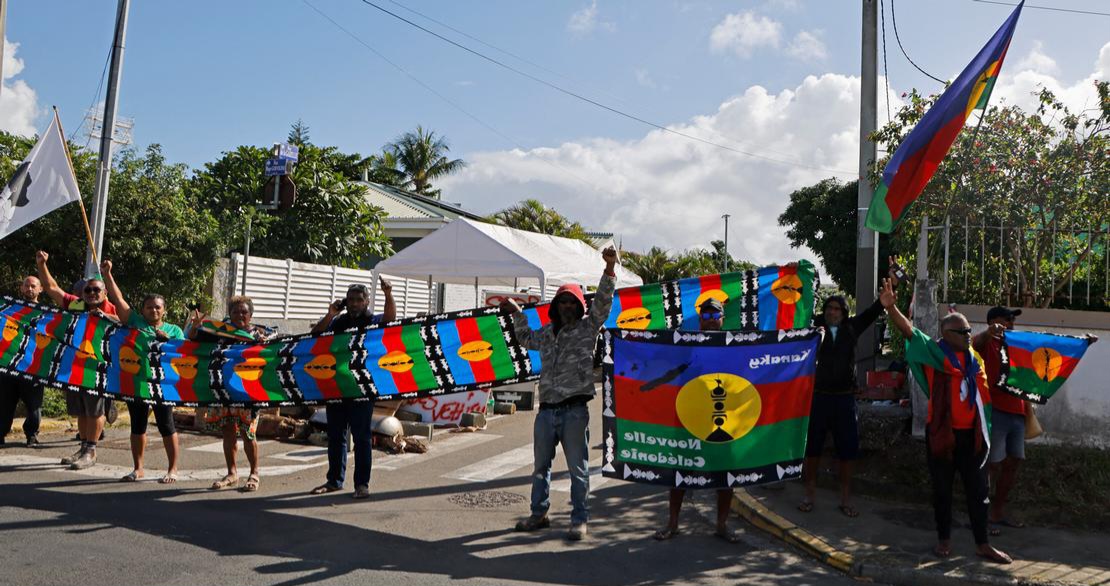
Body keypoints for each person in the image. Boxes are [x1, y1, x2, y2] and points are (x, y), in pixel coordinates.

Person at [883, 278, 1011, 564]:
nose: (967, 335)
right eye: (961, 332)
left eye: (968, 331)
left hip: (973, 436)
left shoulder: (973, 358)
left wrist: (989, 332)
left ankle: (982, 544)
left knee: (979, 492)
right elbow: (910, 331)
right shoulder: (936, 353)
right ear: (946, 334)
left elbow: (977, 341)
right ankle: (944, 539)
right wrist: (891, 309)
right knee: (942, 490)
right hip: (943, 434)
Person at [504, 246, 618, 541]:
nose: (567, 306)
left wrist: (608, 269)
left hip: (574, 411)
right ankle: (538, 514)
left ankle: (579, 520)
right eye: (562, 302)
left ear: (579, 307)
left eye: (572, 302)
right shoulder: (545, 333)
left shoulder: (587, 328)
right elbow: (525, 338)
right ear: (555, 306)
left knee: (578, 470)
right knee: (540, 467)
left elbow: (603, 304)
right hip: (546, 412)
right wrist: (517, 314)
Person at [799, 260, 898, 518]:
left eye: (837, 309)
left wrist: (887, 295)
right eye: (829, 308)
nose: (833, 312)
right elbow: (796, 309)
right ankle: (809, 493)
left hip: (844, 400)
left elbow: (872, 311)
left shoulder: (851, 329)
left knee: (848, 451)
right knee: (812, 450)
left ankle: (845, 498)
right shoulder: (814, 328)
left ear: (844, 313)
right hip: (818, 398)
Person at [652, 297, 741, 543]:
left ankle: (722, 525)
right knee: (680, 472)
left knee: (725, 475)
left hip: (722, 420)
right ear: (700, 320)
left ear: (723, 319)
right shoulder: (685, 344)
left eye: (715, 316)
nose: (711, 320)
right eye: (706, 316)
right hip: (688, 419)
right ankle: (672, 524)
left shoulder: (735, 345)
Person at [309, 278, 396, 499]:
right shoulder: (338, 322)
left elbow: (390, 319)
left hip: (362, 389)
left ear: (367, 301)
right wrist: (331, 313)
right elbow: (316, 334)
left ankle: (361, 485)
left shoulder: (372, 321)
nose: (354, 303)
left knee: (362, 437)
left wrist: (388, 294)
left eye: (359, 299)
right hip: (337, 387)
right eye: (351, 300)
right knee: (336, 436)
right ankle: (334, 481)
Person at [100, 260, 185, 483]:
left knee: (166, 425)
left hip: (163, 386)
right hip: (136, 382)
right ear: (143, 310)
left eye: (157, 307)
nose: (153, 310)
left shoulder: (174, 330)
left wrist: (168, 342)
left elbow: (184, 356)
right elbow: (118, 299)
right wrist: (107, 274)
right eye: (149, 307)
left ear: (164, 310)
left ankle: (173, 469)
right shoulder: (134, 322)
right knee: (138, 426)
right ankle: (138, 469)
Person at [36, 251, 119, 470]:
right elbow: (52, 288)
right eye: (87, 290)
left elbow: (128, 324)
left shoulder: (111, 309)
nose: (92, 293)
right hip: (73, 368)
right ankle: (83, 448)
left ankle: (91, 451)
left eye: (96, 290)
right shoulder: (75, 305)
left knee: (95, 410)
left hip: (99, 369)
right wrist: (42, 265)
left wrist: (105, 317)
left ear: (105, 293)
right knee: (81, 411)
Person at [187, 295, 269, 492]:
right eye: (235, 312)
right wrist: (195, 327)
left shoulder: (260, 335)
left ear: (251, 315)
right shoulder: (219, 331)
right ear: (229, 314)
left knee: (248, 433)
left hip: (248, 392)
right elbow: (193, 339)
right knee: (228, 431)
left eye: (244, 312)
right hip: (222, 390)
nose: (240, 315)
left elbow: (271, 355)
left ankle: (254, 473)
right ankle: (232, 473)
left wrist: (264, 344)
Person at [0, 276, 45, 447]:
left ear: (40, 289)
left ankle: (31, 435)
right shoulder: (10, 309)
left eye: (33, 286)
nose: (29, 289)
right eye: (26, 285)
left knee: (34, 406)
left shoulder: (47, 314)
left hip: (33, 367)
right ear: (21, 288)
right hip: (8, 365)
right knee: (4, 404)